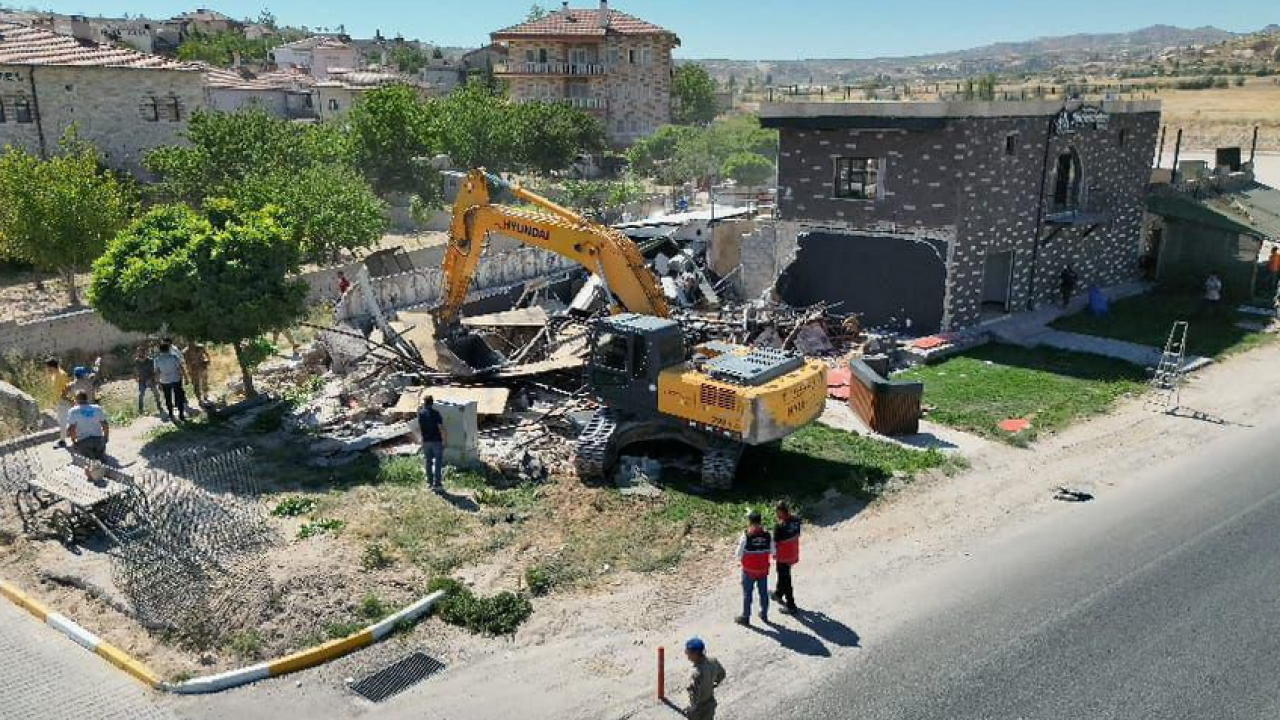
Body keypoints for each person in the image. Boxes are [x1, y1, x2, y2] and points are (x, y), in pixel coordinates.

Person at [734, 510, 773, 626]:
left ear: (750, 522)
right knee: (763, 593)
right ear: (760, 521)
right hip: (763, 570)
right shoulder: (767, 535)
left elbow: (738, 553)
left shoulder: (746, 535)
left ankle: (746, 617)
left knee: (747, 594)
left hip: (749, 571)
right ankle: (764, 614)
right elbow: (773, 550)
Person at [682, 637, 726, 720]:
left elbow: (694, 694)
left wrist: (691, 709)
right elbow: (722, 674)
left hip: (699, 709)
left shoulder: (695, 673)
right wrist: (713, 684)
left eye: (688, 652)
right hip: (710, 703)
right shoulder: (713, 661)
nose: (686, 654)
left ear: (695, 654)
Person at [771, 501, 802, 615]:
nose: (776, 514)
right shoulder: (797, 520)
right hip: (793, 554)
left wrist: (773, 554)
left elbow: (775, 543)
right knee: (783, 575)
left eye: (776, 512)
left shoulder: (779, 526)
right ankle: (778, 594)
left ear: (780, 511)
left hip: (783, 556)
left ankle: (791, 605)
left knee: (786, 579)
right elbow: (798, 534)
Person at [66, 391, 109, 461]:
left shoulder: (73, 411)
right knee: (100, 457)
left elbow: (71, 430)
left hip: (84, 442)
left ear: (76, 399)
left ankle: (92, 461)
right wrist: (106, 438)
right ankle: (100, 458)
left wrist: (74, 442)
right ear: (86, 399)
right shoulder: (97, 408)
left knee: (86, 459)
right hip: (99, 440)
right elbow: (105, 425)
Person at [417, 394, 448, 490]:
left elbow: (419, 428)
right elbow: (441, 428)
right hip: (436, 441)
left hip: (426, 441)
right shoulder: (436, 413)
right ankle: (437, 484)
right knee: (438, 463)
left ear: (424, 402)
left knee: (428, 462)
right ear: (432, 403)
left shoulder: (421, 414)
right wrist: (445, 440)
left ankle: (430, 483)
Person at [153, 339, 188, 422]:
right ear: (168, 349)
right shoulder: (174, 357)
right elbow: (180, 368)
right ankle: (181, 414)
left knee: (168, 398)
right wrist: (186, 377)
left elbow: (157, 372)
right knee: (179, 397)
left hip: (165, 380)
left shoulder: (157, 360)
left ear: (160, 350)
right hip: (176, 379)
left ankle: (171, 414)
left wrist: (158, 383)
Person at [44, 357, 71, 447]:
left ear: (52, 367)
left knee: (63, 422)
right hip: (59, 402)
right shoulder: (55, 374)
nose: (47, 369)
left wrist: (64, 398)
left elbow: (68, 388)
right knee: (63, 421)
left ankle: (63, 441)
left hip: (64, 402)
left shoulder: (62, 375)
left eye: (48, 367)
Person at [133, 344, 163, 415]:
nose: (140, 353)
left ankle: (159, 407)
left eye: (141, 352)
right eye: (138, 352)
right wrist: (136, 377)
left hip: (150, 380)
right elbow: (134, 371)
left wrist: (153, 379)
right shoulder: (136, 361)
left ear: (144, 352)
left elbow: (154, 371)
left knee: (156, 394)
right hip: (142, 380)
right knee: (141, 395)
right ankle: (141, 410)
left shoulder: (150, 361)